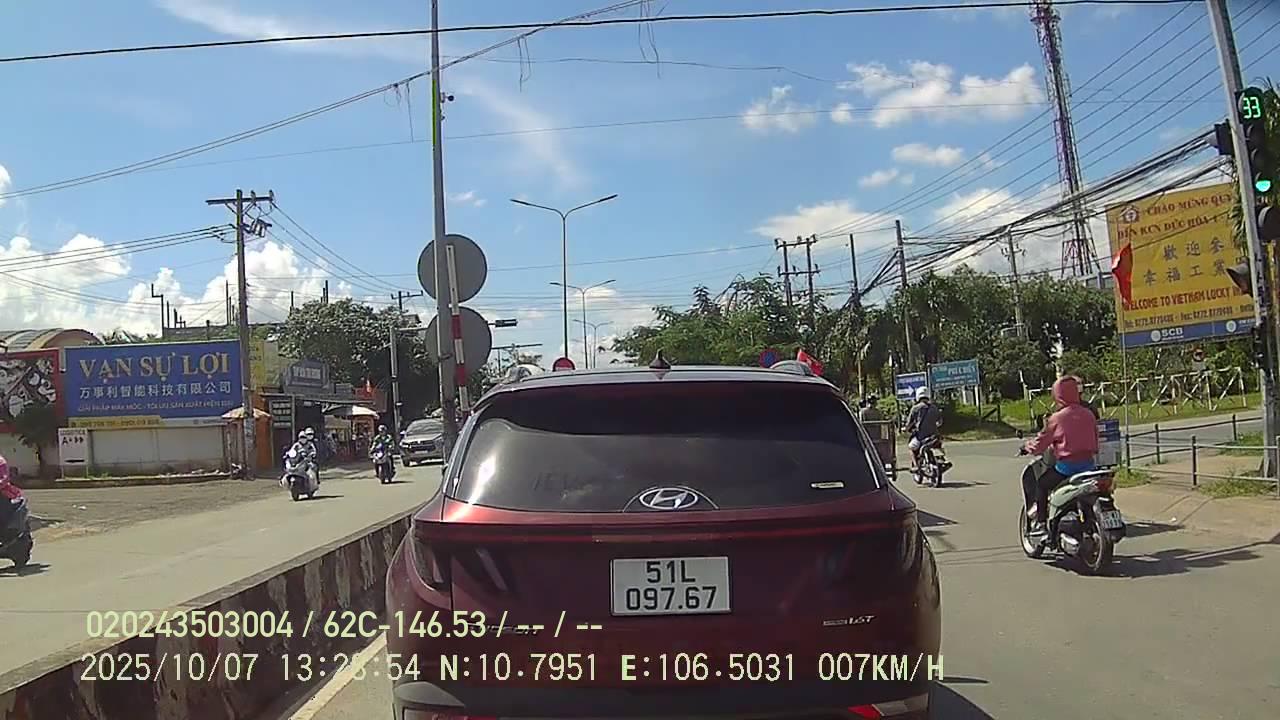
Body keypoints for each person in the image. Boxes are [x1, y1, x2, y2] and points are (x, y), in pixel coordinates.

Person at [1021, 376, 1099, 539]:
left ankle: (1041, 523)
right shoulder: (1088, 414)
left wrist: (1027, 447)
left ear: (1057, 394)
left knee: (1042, 485)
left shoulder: (1057, 418)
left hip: (1067, 468)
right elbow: (1095, 438)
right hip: (1089, 466)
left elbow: (1041, 442)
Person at [904, 386, 942, 471]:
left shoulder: (915, 408)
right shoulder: (934, 407)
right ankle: (940, 459)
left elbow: (909, 423)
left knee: (911, 448)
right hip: (934, 436)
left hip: (921, 437)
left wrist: (905, 429)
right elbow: (940, 421)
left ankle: (916, 466)